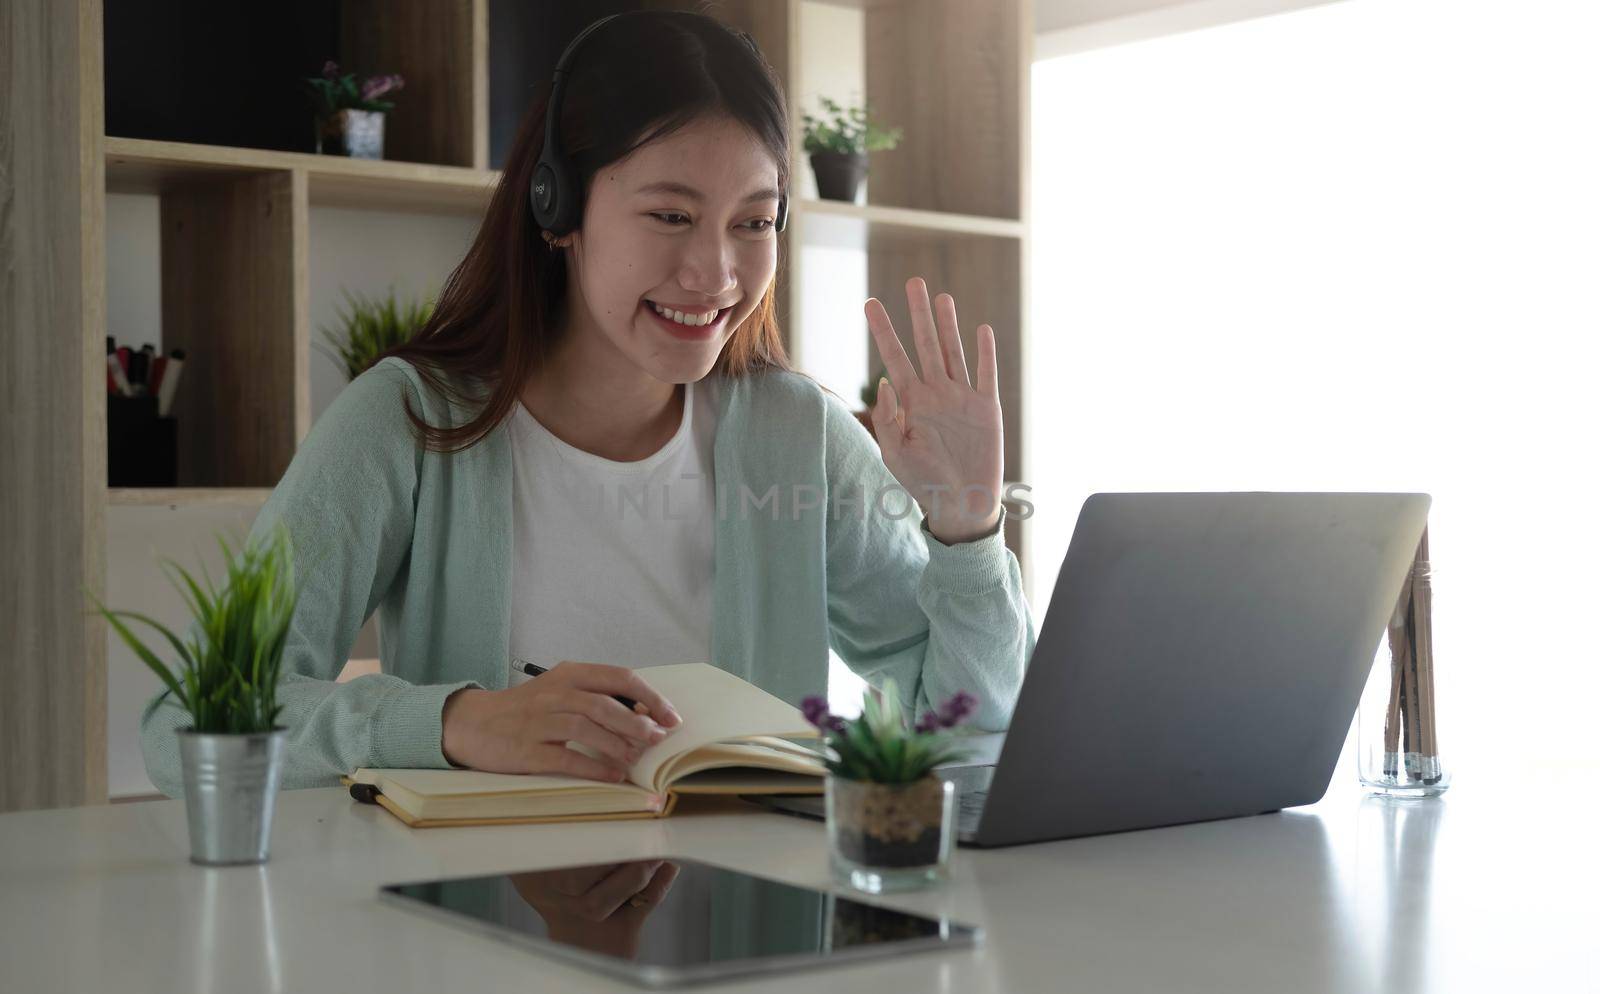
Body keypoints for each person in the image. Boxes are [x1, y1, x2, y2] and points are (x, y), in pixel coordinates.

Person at [139, 10, 1036, 797]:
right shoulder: (409, 422)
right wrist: (454, 724)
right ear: (555, 206)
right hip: (486, 930)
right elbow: (191, 729)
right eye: (671, 215)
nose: (716, 275)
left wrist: (967, 529)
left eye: (754, 222)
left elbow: (969, 725)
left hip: (754, 931)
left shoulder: (798, 434)